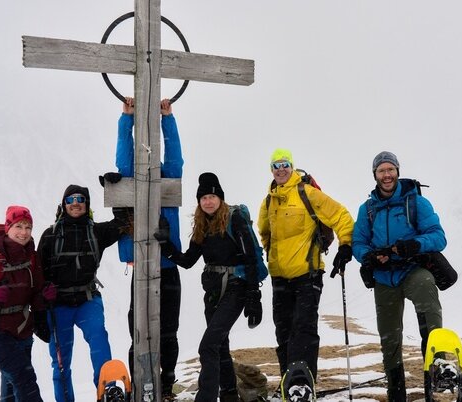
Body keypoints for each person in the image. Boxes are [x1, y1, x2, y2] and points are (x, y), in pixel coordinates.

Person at [100, 96, 184, 400]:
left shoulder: (168, 178)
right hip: (142, 266)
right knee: (139, 331)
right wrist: (127, 118)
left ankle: (167, 386)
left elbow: (175, 156)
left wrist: (167, 118)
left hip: (168, 266)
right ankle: (139, 383)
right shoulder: (131, 179)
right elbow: (124, 157)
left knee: (168, 332)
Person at [153, 172, 263, 402]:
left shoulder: (235, 219)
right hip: (213, 291)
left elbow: (250, 257)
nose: (208, 201)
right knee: (220, 345)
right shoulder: (203, 225)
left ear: (220, 198)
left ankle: (206, 398)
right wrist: (166, 243)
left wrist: (253, 296)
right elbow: (188, 260)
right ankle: (230, 394)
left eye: (212, 196)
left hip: (237, 287)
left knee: (208, 346)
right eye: (203, 198)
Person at [257, 148, 354, 397]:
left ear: (292, 166)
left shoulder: (307, 193)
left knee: (304, 328)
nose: (281, 169)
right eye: (276, 165)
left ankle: (304, 384)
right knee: (284, 331)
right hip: (279, 276)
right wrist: (271, 254)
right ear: (271, 169)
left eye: (285, 164)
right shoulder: (268, 201)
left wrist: (346, 245)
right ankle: (288, 385)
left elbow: (341, 216)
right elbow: (264, 231)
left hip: (308, 274)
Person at [351, 151, 447, 402]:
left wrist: (413, 245)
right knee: (389, 335)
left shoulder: (416, 202)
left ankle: (437, 364)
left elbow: (438, 236)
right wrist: (369, 257)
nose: (386, 175)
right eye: (381, 171)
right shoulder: (367, 209)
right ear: (375, 175)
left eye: (390, 170)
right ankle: (395, 390)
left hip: (412, 269)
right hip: (384, 278)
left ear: (397, 172)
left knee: (427, 290)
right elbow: (358, 243)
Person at [37, 185, 123, 402]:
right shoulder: (50, 236)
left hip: (87, 300)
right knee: (61, 363)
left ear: (87, 204)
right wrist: (38, 313)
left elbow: (124, 221)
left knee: (99, 339)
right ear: (63, 205)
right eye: (70, 199)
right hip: (58, 305)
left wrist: (115, 188)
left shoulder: (96, 232)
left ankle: (107, 392)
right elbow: (36, 275)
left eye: (80, 199)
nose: (75, 203)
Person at [0, 205, 55, 402]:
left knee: (12, 383)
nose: (23, 233)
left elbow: (35, 295)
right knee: (24, 378)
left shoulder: (31, 256)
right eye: (18, 226)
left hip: (21, 329)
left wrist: (45, 296)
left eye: (28, 227)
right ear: (8, 227)